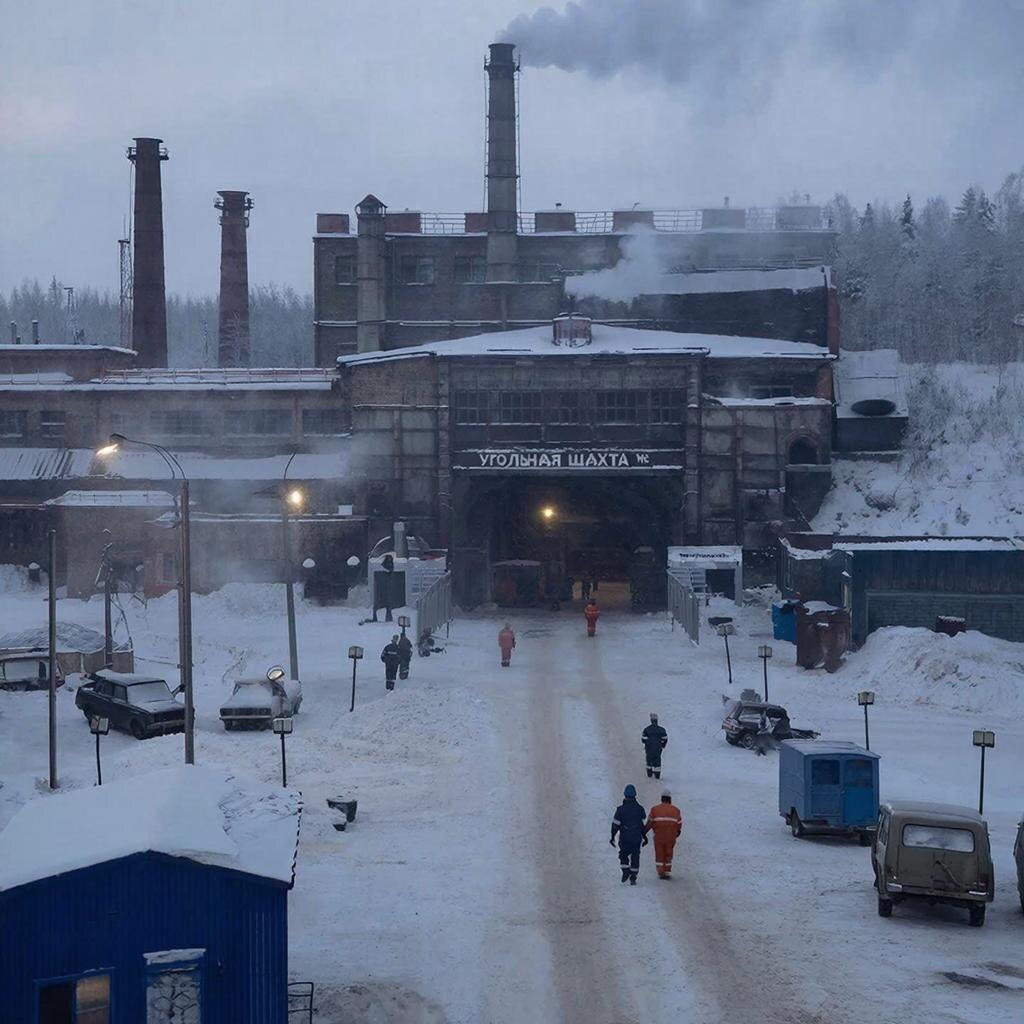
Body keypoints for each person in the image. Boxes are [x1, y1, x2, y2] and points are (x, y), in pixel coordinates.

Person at [610, 784, 648, 885]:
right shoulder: (640, 809)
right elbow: (643, 825)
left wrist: (612, 836)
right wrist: (645, 836)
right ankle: (633, 876)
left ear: (625, 795)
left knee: (623, 855)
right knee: (635, 857)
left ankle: (625, 871)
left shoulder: (620, 810)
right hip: (636, 838)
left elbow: (615, 825)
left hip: (625, 838)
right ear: (635, 795)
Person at [644, 789, 683, 879]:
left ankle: (661, 871)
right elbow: (679, 823)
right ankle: (667, 870)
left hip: (659, 835)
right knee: (669, 852)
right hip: (671, 836)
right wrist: (677, 832)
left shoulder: (654, 809)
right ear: (670, 799)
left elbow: (650, 822)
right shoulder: (676, 810)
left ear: (662, 799)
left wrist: (644, 832)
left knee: (659, 852)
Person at [642, 713, 668, 779]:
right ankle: (657, 775)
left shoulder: (646, 729)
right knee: (657, 760)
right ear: (657, 720)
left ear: (651, 720)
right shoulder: (662, 729)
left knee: (649, 760)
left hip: (649, 748)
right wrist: (662, 746)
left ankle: (649, 774)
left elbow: (643, 739)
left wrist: (647, 743)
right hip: (658, 749)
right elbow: (665, 739)